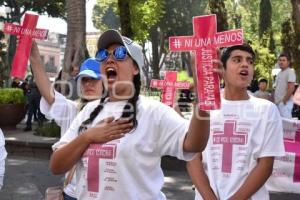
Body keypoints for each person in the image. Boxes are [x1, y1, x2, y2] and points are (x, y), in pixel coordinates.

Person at [49, 29, 211, 199]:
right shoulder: (88, 112)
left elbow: (194, 143)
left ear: (135, 68)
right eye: (103, 55)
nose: (109, 59)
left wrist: (203, 90)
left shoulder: (153, 112)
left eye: (119, 53)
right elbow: (56, 165)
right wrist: (87, 137)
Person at [187, 44, 285, 200]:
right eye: (237, 60)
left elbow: (265, 165)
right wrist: (209, 197)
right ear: (222, 69)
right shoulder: (206, 107)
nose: (245, 64)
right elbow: (193, 158)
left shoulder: (267, 110)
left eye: (250, 61)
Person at [30, 41, 103, 200]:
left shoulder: (118, 114)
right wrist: (35, 57)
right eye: (84, 80)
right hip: (73, 193)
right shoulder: (72, 110)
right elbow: (48, 93)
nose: (88, 84)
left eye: (94, 79)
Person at [274, 52, 296, 118]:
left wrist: (284, 101)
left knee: (286, 125)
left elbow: (291, 88)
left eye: (284, 60)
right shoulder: (279, 73)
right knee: (279, 125)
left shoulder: (290, 72)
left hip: (284, 103)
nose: (281, 62)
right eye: (280, 60)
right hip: (278, 103)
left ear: (288, 62)